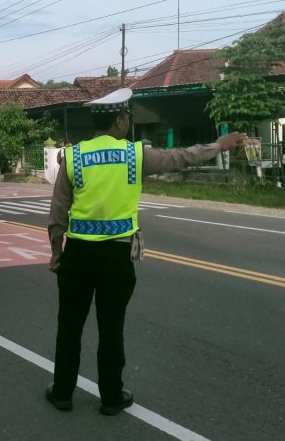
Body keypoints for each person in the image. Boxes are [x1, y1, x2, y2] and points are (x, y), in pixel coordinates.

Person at [45, 88, 246, 416]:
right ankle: (111, 397)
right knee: (112, 328)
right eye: (128, 118)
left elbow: (57, 214)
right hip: (117, 257)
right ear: (121, 120)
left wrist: (56, 251)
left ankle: (63, 393)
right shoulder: (136, 155)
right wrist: (217, 146)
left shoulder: (74, 157)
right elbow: (181, 157)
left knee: (69, 326)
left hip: (78, 256)